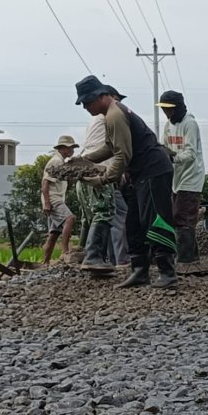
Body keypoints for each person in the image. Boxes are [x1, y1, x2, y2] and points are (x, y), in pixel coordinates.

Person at [74, 75, 177, 288]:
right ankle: (139, 271)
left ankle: (168, 272)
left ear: (100, 96)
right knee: (133, 222)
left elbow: (122, 155)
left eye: (86, 102)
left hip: (153, 169)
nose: (85, 107)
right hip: (140, 174)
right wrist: (84, 160)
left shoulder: (114, 115)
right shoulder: (111, 114)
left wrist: (103, 179)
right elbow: (110, 148)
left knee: (155, 220)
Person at [157, 90, 208, 273]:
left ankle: (184, 260)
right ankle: (192, 258)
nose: (166, 113)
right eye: (164, 109)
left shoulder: (190, 124)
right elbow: (165, 147)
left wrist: (172, 158)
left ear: (177, 108)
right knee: (178, 215)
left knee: (182, 216)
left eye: (169, 109)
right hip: (176, 177)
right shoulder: (168, 126)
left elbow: (191, 153)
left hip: (191, 176)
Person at [77, 86, 130, 272]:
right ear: (110, 97)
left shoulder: (95, 120)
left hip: (85, 170)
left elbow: (108, 147)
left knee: (98, 216)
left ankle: (100, 259)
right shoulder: (110, 117)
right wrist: (114, 174)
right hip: (98, 171)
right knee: (112, 215)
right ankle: (115, 259)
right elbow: (118, 150)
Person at [40, 135, 78, 265]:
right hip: (53, 198)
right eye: (71, 148)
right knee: (70, 218)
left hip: (56, 198)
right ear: (64, 148)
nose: (72, 150)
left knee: (54, 233)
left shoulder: (61, 162)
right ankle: (65, 251)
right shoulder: (56, 162)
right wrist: (47, 202)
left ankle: (45, 262)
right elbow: (45, 183)